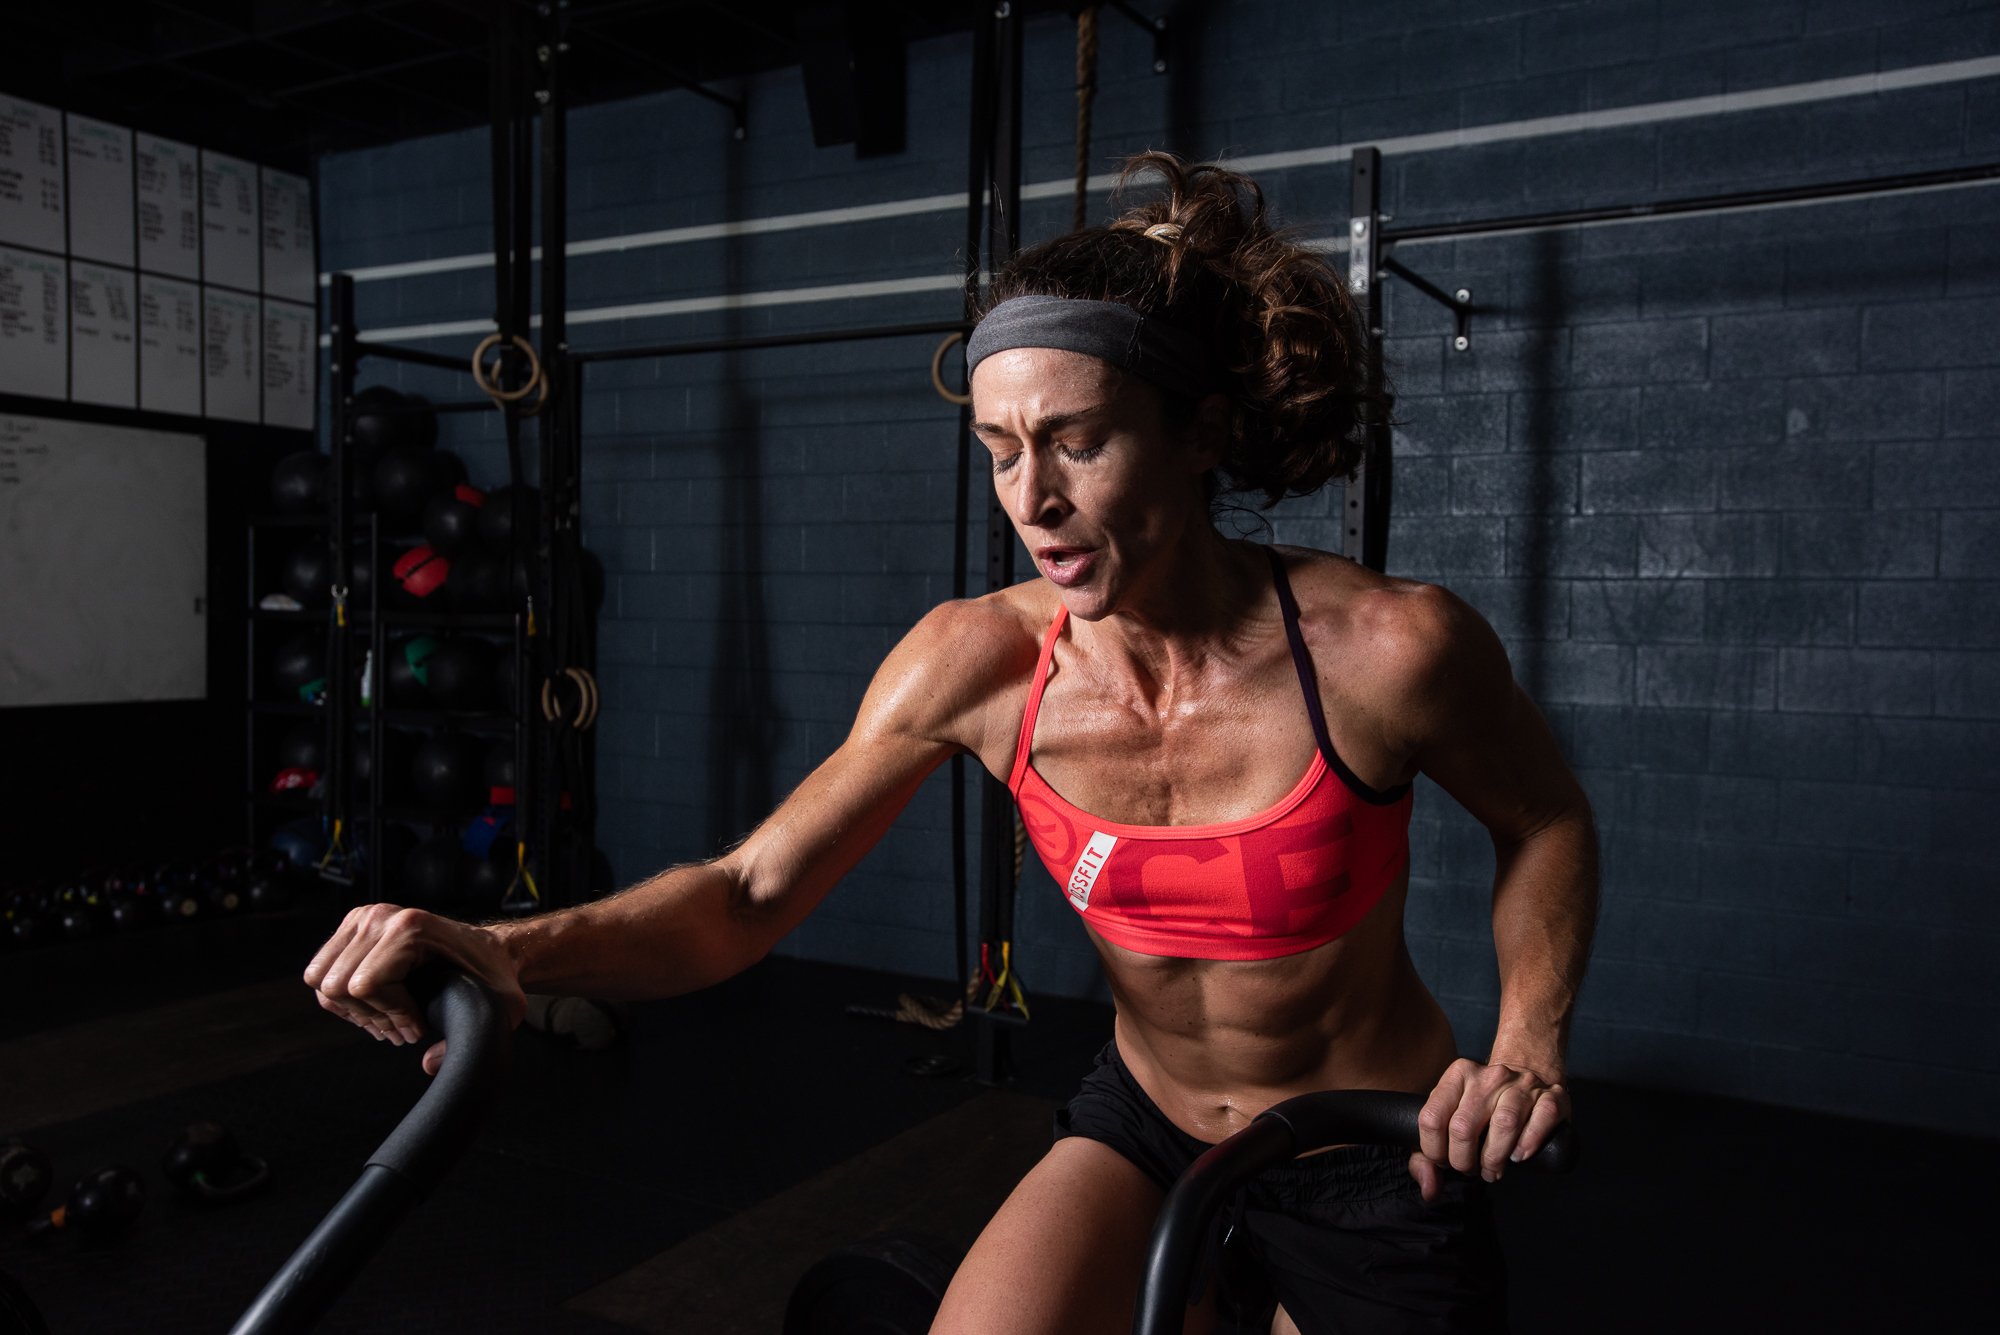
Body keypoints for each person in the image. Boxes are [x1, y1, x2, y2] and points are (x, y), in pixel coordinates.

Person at [304, 152, 1599, 1334]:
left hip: (1366, 1154)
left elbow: (1544, 822)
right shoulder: (978, 660)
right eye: (999, 451)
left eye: (1077, 443)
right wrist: (501, 946)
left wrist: (1527, 1043)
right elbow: (749, 894)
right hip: (1147, 1126)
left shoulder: (1387, 651)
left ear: (1198, 432)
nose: (1031, 501)